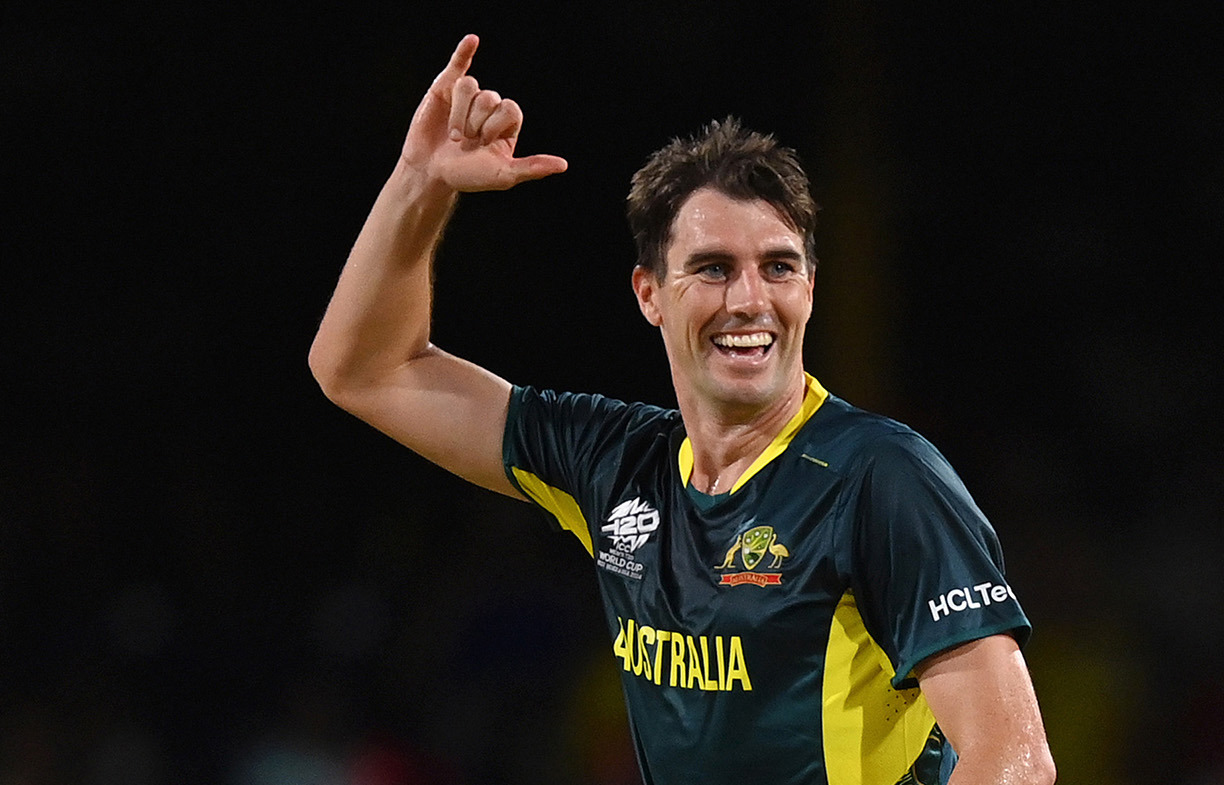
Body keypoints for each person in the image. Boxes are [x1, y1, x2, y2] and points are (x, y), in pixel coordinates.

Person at [309, 33, 1054, 785]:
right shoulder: (614, 464)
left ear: (810, 288)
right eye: (713, 269)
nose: (750, 299)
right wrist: (420, 180)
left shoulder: (880, 476)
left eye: (778, 267)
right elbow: (364, 367)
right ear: (649, 294)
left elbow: (1013, 762)